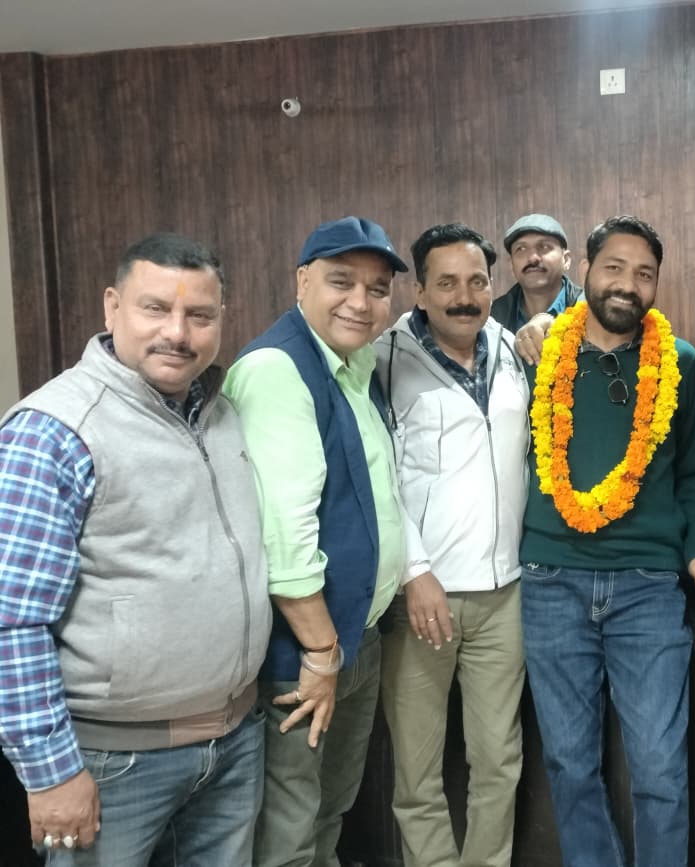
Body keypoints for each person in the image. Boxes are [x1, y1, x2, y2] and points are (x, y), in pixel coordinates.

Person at [0, 233, 271, 865]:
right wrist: (49, 773)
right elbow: (12, 620)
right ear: (112, 307)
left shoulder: (222, 413)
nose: (177, 332)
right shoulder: (53, 431)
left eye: (199, 315)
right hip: (111, 763)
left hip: (233, 742)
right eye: (155, 308)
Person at [519, 215, 695, 867]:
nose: (628, 284)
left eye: (644, 273)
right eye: (614, 267)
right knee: (569, 762)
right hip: (550, 580)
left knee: (660, 767)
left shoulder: (679, 361)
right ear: (585, 270)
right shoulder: (539, 353)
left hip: (648, 588)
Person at [223, 216, 409, 866]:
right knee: (290, 831)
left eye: (377, 289)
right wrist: (323, 654)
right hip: (304, 654)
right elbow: (285, 537)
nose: (361, 301)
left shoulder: (355, 364)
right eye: (341, 281)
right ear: (302, 281)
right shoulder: (279, 369)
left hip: (353, 638)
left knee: (329, 810)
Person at [374, 223, 529, 866]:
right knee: (418, 769)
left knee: (499, 759)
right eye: (446, 283)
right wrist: (414, 570)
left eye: (476, 281)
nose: (464, 297)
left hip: (504, 594)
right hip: (423, 597)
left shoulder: (513, 347)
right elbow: (378, 478)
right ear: (420, 290)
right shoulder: (383, 358)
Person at [490, 213, 583, 333]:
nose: (533, 258)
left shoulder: (591, 310)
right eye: (521, 249)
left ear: (565, 260)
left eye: (544, 247)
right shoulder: (493, 317)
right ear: (512, 265)